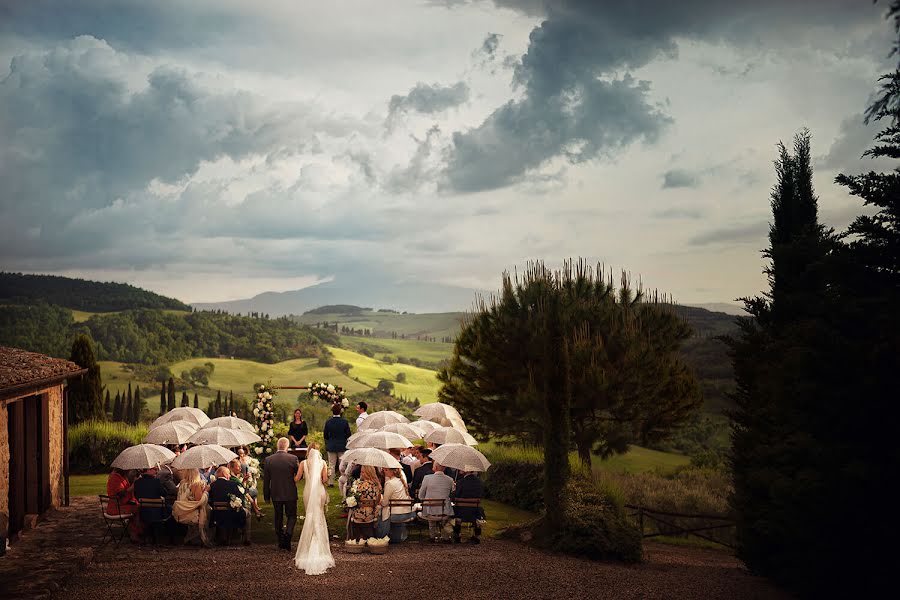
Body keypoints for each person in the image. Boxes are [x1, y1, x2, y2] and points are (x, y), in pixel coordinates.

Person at [294, 443, 334, 575]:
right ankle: (319, 543)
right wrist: (327, 475)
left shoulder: (303, 463)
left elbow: (297, 478)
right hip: (320, 492)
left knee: (310, 514)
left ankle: (309, 541)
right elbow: (324, 480)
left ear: (309, 451)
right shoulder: (322, 462)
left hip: (307, 492)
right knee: (319, 515)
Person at [265, 437, 301, 550]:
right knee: (292, 516)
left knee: (278, 516)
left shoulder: (268, 459)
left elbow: (266, 480)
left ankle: (281, 540)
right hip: (290, 492)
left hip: (276, 493)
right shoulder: (293, 458)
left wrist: (266, 495)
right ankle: (288, 535)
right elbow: (299, 476)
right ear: (287, 446)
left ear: (277, 446)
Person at [208, 466, 250, 545]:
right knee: (248, 513)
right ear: (224, 474)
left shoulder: (212, 485)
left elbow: (209, 499)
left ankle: (220, 537)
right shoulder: (232, 484)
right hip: (232, 512)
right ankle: (246, 538)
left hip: (216, 513)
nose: (230, 475)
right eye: (228, 473)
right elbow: (240, 496)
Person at [171, 468, 210, 546]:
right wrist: (206, 491)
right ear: (196, 474)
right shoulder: (196, 485)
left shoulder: (181, 483)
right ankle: (202, 538)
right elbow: (199, 501)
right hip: (191, 513)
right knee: (208, 510)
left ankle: (190, 537)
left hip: (180, 513)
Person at [418, 462, 454, 542]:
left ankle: (432, 536)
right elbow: (452, 495)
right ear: (444, 468)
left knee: (430, 510)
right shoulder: (450, 479)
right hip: (445, 513)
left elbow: (420, 496)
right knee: (444, 512)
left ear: (436, 468)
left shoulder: (427, 478)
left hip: (430, 513)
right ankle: (446, 537)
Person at [377, 467, 414, 542]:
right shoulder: (401, 481)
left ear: (393, 472)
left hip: (396, 515)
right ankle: (396, 537)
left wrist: (380, 499)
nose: (384, 472)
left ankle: (381, 537)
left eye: (386, 470)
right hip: (408, 512)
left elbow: (385, 503)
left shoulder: (389, 483)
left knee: (382, 510)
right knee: (387, 509)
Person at [105, 467, 139, 541]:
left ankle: (136, 531)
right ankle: (134, 533)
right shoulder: (115, 478)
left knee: (138, 506)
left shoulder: (122, 477)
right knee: (139, 508)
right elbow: (121, 494)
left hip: (120, 505)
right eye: (129, 469)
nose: (130, 470)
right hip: (116, 508)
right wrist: (133, 486)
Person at [349, 465, 382, 540]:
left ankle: (357, 537)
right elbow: (377, 501)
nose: (361, 474)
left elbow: (354, 498)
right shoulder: (376, 485)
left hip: (358, 515)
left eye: (362, 472)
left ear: (367, 473)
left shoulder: (359, 485)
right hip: (371, 514)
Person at [452, 471, 485, 544]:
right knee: (480, 510)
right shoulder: (479, 482)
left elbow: (455, 497)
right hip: (475, 512)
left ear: (466, 470)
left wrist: (454, 489)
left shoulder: (461, 482)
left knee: (453, 509)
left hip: (460, 512)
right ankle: (477, 536)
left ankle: (457, 534)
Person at [323, 403, 351, 487]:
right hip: (342, 445)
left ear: (332, 412)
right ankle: (344, 480)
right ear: (340, 411)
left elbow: (325, 435)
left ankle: (331, 482)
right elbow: (348, 434)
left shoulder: (328, 422)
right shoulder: (344, 422)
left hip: (331, 445)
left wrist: (330, 441)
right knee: (342, 465)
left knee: (331, 465)